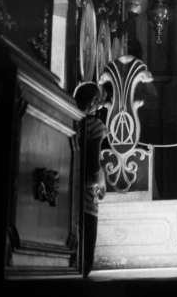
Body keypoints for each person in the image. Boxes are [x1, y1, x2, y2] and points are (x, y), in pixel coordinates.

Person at [74, 81, 109, 277]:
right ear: (94, 101)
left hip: (69, 189)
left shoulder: (70, 118)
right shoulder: (95, 124)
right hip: (87, 190)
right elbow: (95, 162)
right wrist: (100, 183)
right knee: (88, 245)